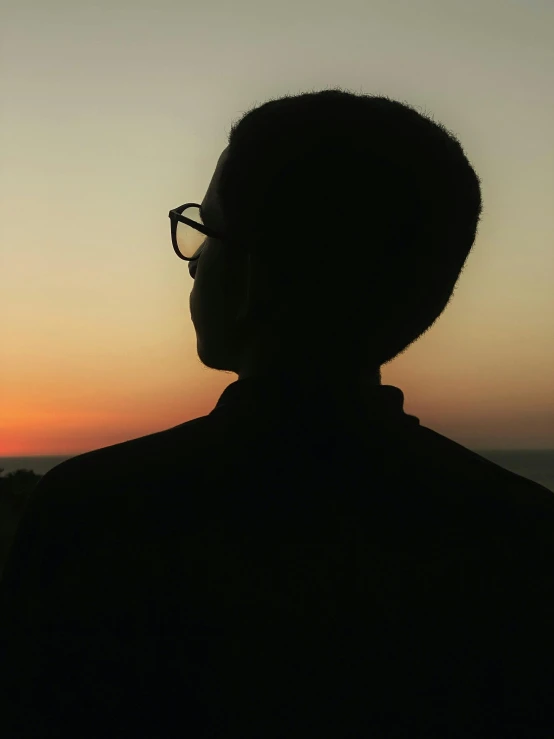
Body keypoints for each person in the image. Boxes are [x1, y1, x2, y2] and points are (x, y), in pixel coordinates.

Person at [1, 88, 553, 738]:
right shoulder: (523, 537)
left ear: (250, 280)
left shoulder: (98, 513)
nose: (194, 261)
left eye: (204, 233)